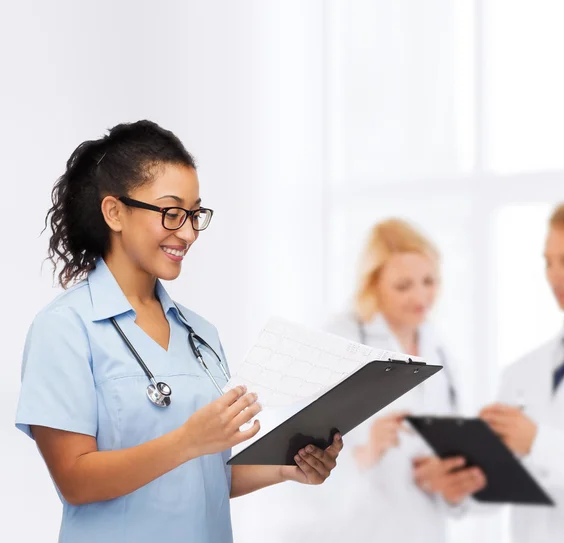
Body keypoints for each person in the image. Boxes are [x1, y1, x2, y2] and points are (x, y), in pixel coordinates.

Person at [14, 120, 343, 543]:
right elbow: (75, 480)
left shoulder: (199, 334)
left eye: (194, 214)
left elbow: (203, 476)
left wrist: (285, 468)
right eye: (171, 213)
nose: (187, 232)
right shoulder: (64, 328)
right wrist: (187, 440)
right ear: (115, 212)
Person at [231, 218, 484, 543]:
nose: (420, 296)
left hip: (422, 527)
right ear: (373, 283)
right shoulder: (341, 340)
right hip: (351, 528)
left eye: (429, 281)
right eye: (403, 286)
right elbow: (294, 449)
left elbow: (450, 448)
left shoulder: (440, 350)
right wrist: (368, 450)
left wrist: (442, 477)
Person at [477, 198, 564, 542]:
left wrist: (538, 441)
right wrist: (466, 479)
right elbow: (503, 486)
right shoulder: (521, 371)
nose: (555, 276)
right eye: (549, 262)